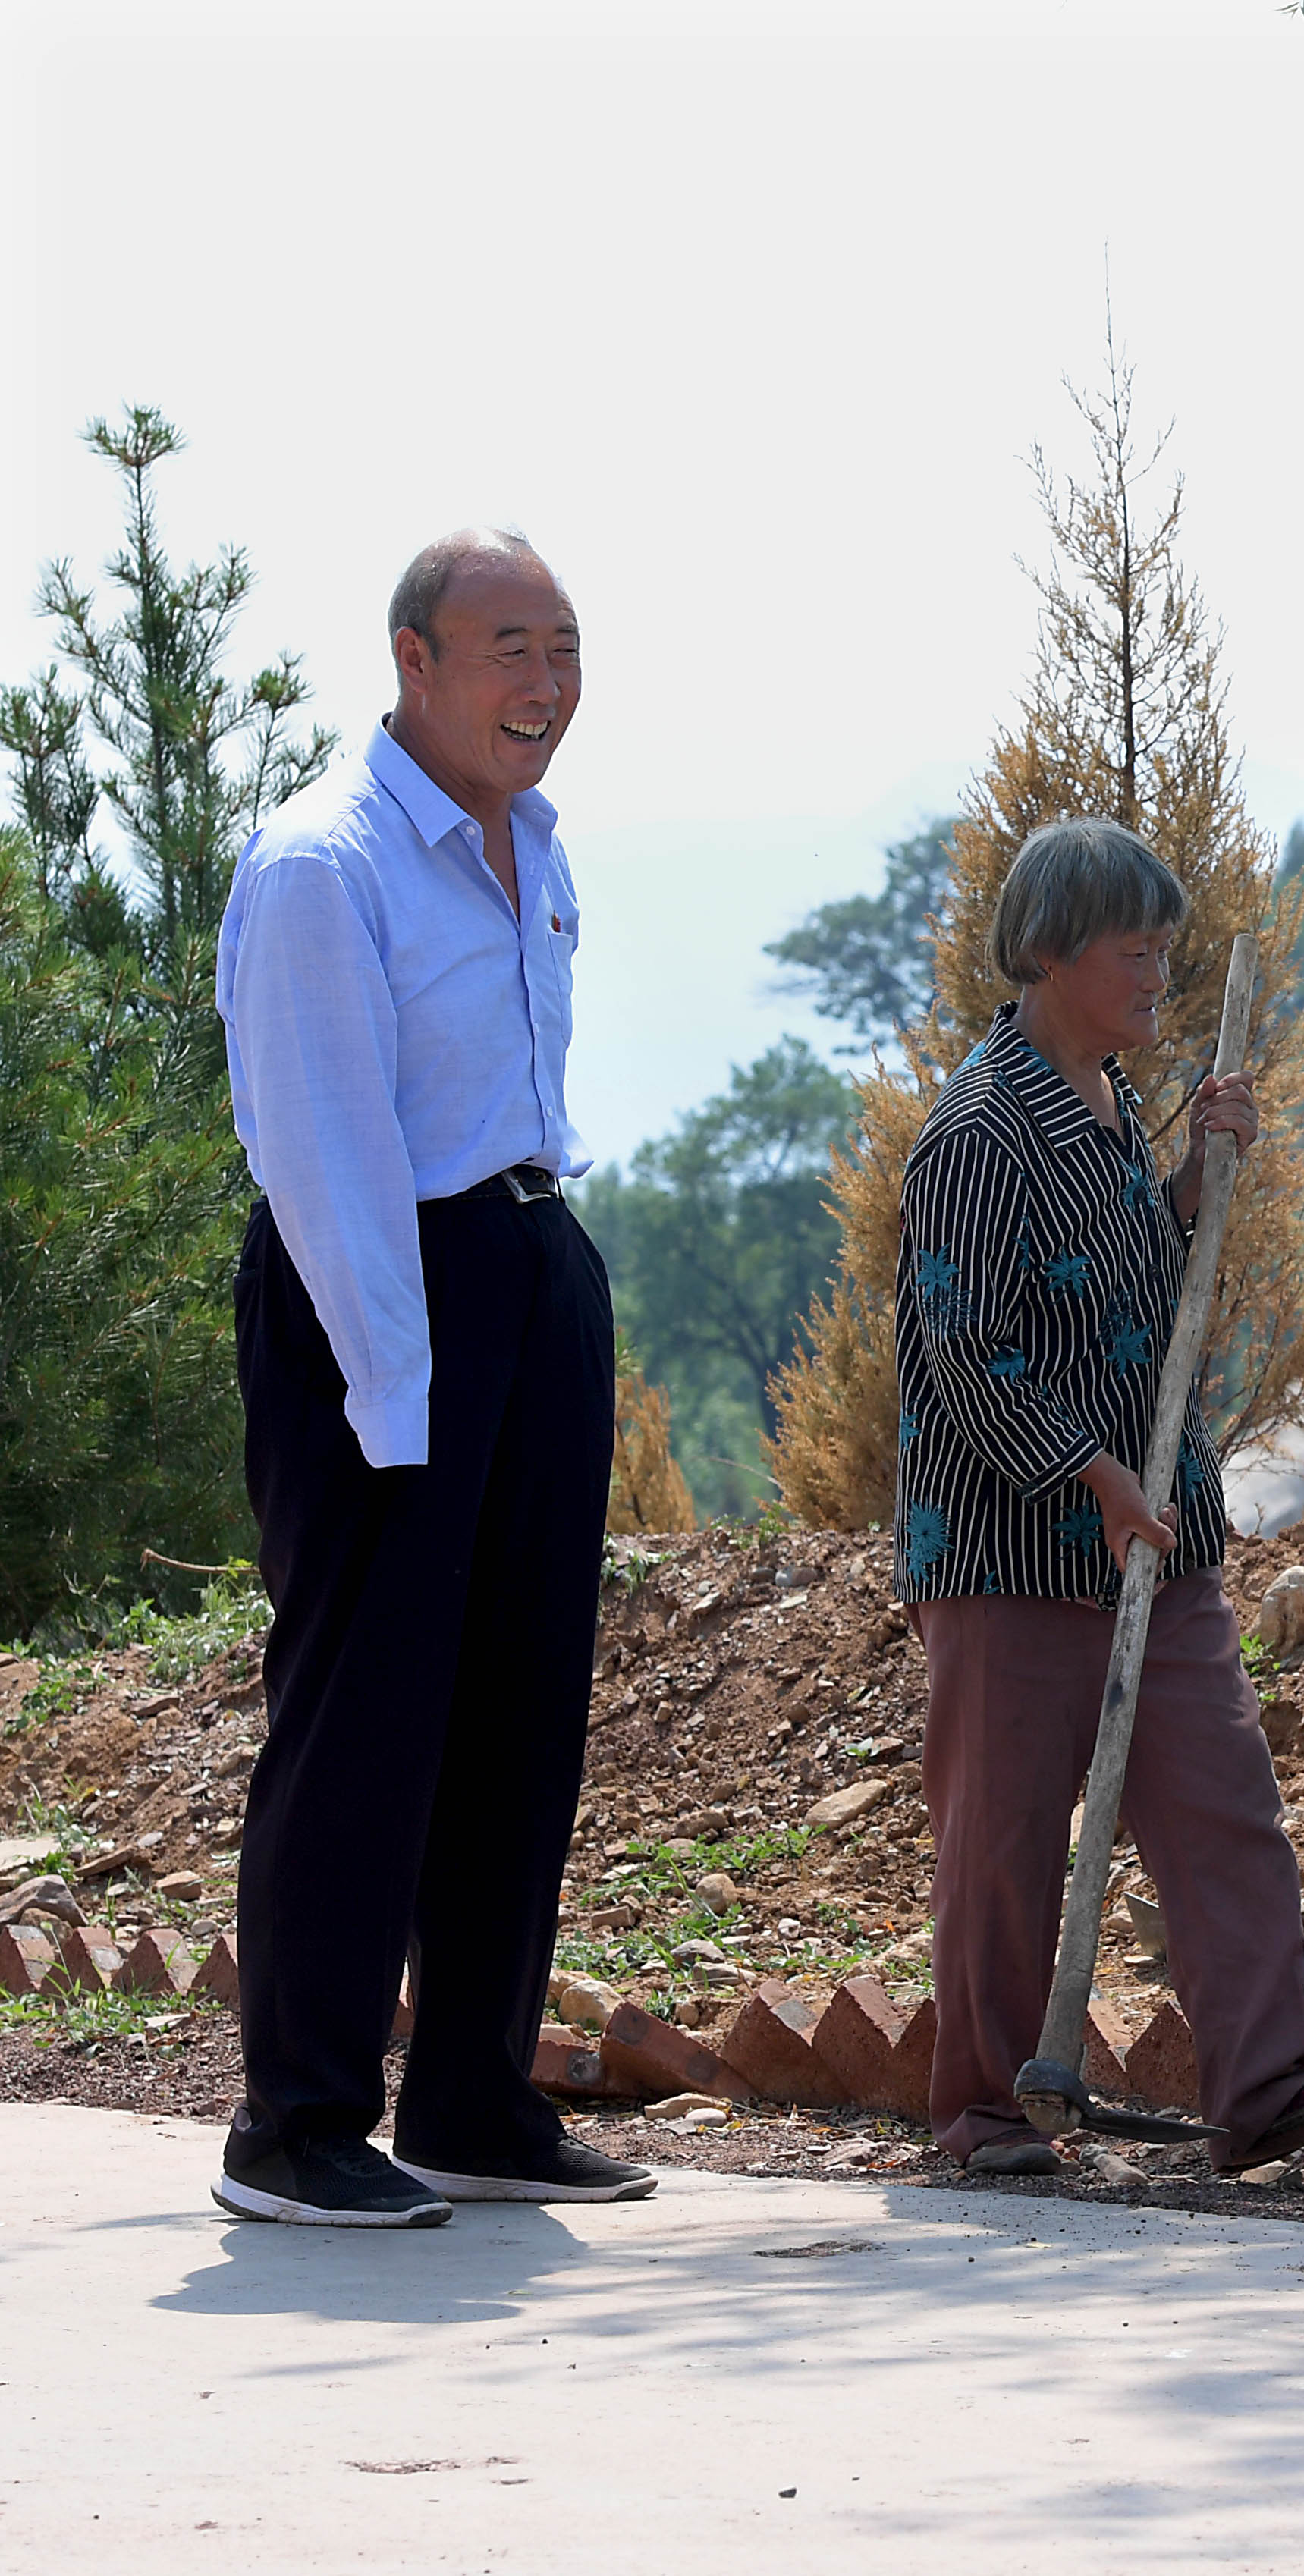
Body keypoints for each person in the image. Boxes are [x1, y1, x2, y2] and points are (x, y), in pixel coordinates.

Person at [212, 528, 646, 2226]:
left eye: (565, 649)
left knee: (519, 1711)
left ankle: (472, 2097)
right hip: (379, 1291)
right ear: (413, 662)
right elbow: (323, 1152)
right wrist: (397, 1393)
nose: (545, 687)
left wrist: (546, 1300)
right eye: (507, 650)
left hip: (533, 1264)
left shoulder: (529, 847)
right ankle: (298, 2122)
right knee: (365, 1708)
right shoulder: (326, 866)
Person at [894, 820, 1304, 2174]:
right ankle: (985, 2111)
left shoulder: (1110, 1100)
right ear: (1052, 952)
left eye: (1169, 952)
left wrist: (1188, 1186)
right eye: (1138, 950)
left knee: (1218, 1801)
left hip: (1152, 1543)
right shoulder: (979, 1133)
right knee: (1001, 1843)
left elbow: (1115, 1296)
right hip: (1014, 1552)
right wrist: (1090, 1472)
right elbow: (966, 1354)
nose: (1159, 975)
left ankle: (1264, 2086)